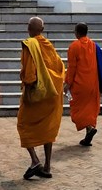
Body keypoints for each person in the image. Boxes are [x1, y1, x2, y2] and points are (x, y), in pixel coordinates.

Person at [16, 16, 65, 180]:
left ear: (28, 28)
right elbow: (60, 68)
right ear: (42, 30)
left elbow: (30, 75)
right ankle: (47, 166)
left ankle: (35, 160)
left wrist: (28, 90)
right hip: (52, 94)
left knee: (23, 124)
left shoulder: (30, 45)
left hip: (37, 94)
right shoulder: (48, 46)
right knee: (48, 129)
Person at [64, 22, 102, 146]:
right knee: (90, 110)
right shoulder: (94, 46)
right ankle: (89, 132)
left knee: (77, 110)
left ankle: (89, 129)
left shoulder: (74, 46)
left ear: (77, 32)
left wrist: (67, 83)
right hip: (93, 84)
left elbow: (72, 68)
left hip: (79, 85)